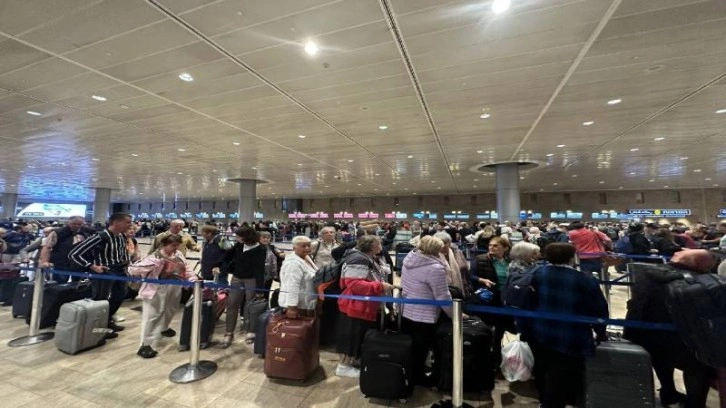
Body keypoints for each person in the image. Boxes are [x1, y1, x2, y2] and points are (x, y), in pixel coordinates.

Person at [623, 249, 717, 407]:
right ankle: (694, 404)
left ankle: (668, 392)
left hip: (647, 333)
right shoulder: (697, 283)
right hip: (684, 337)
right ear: (700, 265)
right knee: (697, 368)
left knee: (661, 361)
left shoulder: (647, 276)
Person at [522, 243, 609, 408]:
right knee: (565, 373)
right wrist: (601, 332)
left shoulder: (538, 274)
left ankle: (545, 400)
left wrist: (525, 328)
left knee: (543, 367)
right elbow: (598, 309)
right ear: (571, 258)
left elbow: (529, 302)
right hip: (571, 335)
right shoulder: (585, 279)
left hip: (541, 331)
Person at [128, 234, 197, 358]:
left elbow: (186, 268)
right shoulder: (155, 257)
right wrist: (149, 266)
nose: (176, 248)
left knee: (170, 309)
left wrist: (192, 279)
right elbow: (133, 270)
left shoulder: (178, 254)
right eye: (173, 245)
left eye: (178, 245)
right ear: (165, 244)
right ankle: (145, 344)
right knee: (152, 316)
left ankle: (164, 328)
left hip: (175, 287)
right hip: (157, 289)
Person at [335, 235, 395, 378]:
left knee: (357, 335)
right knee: (351, 336)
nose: (381, 246)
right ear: (371, 246)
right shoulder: (358, 259)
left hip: (361, 304)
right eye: (378, 244)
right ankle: (343, 366)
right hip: (355, 305)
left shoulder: (366, 257)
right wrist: (380, 286)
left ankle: (353, 360)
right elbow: (354, 284)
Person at [400, 235, 455, 386]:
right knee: (421, 349)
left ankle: (409, 375)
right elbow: (442, 295)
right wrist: (455, 314)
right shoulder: (435, 268)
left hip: (406, 309)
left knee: (412, 348)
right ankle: (418, 379)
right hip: (425, 315)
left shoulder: (409, 259)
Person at [68, 213, 133, 338]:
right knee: (100, 300)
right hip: (104, 272)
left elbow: (121, 252)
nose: (130, 225)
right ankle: (97, 329)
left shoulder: (121, 236)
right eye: (127, 222)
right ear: (116, 222)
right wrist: (92, 266)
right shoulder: (100, 236)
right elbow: (74, 254)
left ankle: (107, 321)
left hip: (120, 271)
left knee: (120, 295)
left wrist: (126, 264)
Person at [218, 226, 267, 348]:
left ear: (247, 237)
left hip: (252, 279)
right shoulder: (239, 245)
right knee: (232, 304)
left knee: (250, 306)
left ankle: (250, 331)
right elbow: (226, 257)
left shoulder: (260, 249)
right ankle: (229, 332)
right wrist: (219, 266)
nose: (237, 238)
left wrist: (259, 288)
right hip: (237, 278)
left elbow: (260, 269)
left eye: (239, 236)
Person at [471, 236, 514, 364]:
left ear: (505, 248)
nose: (491, 247)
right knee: (487, 327)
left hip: (506, 299)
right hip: (488, 298)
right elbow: (471, 276)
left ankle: (498, 357)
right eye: (490, 245)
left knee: (501, 329)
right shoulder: (480, 259)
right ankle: (485, 358)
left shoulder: (510, 261)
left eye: (495, 245)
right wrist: (482, 280)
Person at [39, 216, 95, 283]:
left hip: (80, 264)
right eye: (74, 224)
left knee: (80, 285)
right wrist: (44, 261)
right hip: (61, 263)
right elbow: (47, 247)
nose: (77, 226)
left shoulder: (87, 232)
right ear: (69, 223)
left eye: (79, 224)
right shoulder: (58, 232)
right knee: (60, 283)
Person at [433, 231, 467, 298]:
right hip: (441, 290)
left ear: (449, 242)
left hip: (460, 287)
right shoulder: (433, 255)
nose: (443, 245)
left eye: (445, 242)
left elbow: (465, 270)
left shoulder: (458, 252)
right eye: (440, 243)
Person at [259, 231, 284, 297]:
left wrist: (280, 254)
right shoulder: (256, 247)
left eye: (268, 238)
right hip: (258, 275)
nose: (266, 239)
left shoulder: (272, 247)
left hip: (269, 274)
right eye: (264, 237)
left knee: (267, 292)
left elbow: (281, 254)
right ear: (259, 238)